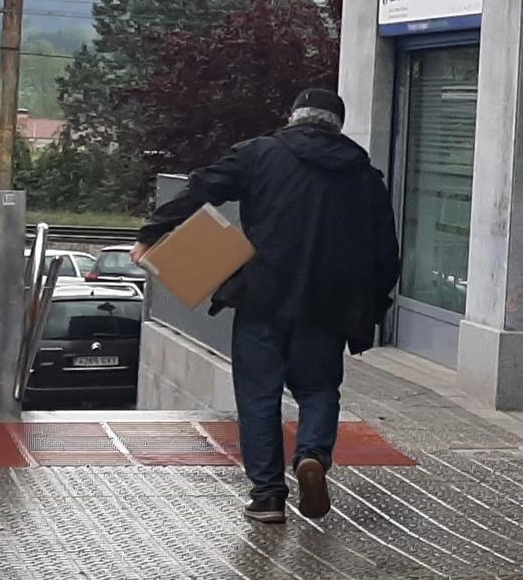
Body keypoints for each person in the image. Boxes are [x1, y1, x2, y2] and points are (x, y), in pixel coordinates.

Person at [132, 89, 400, 524]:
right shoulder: (365, 176)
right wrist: (370, 306)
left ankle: (268, 496)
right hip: (328, 306)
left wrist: (152, 233)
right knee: (317, 390)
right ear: (338, 125)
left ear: (293, 117)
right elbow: (386, 254)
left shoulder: (259, 154)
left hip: (262, 298)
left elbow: (202, 187)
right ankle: (312, 456)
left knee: (259, 396)